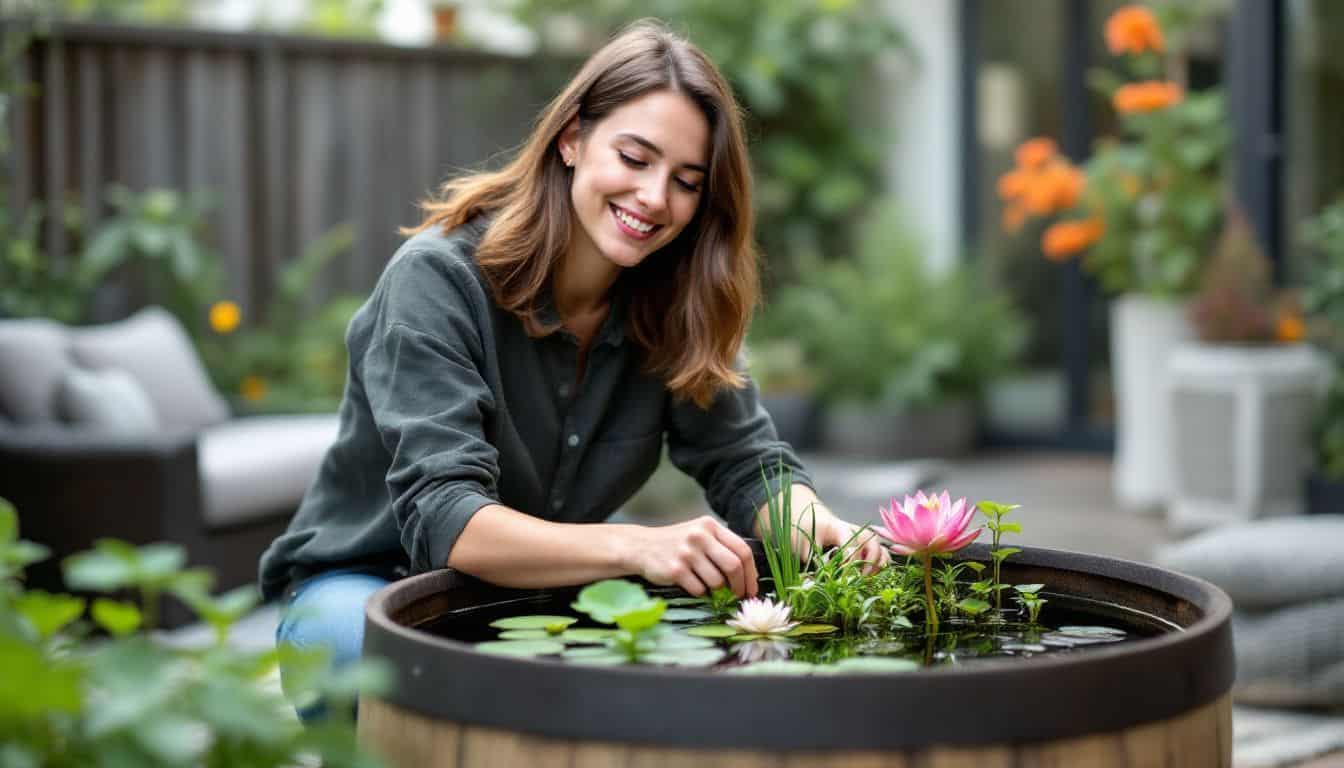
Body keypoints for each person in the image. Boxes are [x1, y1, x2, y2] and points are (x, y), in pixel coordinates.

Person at [259, 18, 888, 717]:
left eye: (686, 180)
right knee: (362, 659)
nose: (654, 198)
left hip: (543, 594)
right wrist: (638, 546)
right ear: (572, 138)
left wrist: (821, 527)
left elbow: (743, 461)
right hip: (369, 581)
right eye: (635, 157)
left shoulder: (675, 300)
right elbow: (450, 521)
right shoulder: (438, 281)